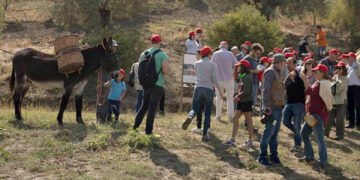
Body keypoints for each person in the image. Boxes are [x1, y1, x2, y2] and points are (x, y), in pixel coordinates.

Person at [182, 46, 224, 142]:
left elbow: (197, 74)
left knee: (194, 108)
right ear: (208, 54)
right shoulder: (213, 65)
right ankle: (205, 135)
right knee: (207, 113)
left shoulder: (196, 63)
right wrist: (220, 91)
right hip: (208, 89)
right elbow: (214, 79)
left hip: (198, 88)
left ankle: (190, 117)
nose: (212, 55)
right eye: (211, 54)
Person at [133, 34, 170, 136]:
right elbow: (166, 71)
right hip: (157, 84)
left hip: (146, 84)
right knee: (152, 108)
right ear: (159, 43)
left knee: (144, 106)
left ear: (151, 42)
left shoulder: (143, 54)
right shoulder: (162, 54)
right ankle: (148, 132)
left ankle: (135, 127)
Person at [299, 64, 332, 170]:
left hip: (317, 116)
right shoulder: (320, 83)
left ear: (322, 73)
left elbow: (310, 92)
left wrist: (305, 80)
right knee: (304, 133)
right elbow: (309, 92)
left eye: (316, 72)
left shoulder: (321, 84)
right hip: (313, 115)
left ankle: (323, 162)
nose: (314, 73)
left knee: (319, 139)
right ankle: (309, 157)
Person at [257, 54, 286, 167]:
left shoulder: (277, 72)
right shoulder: (270, 72)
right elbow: (265, 90)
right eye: (284, 62)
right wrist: (266, 107)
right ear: (281, 62)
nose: (284, 64)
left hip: (278, 107)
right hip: (272, 108)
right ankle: (262, 156)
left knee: (275, 133)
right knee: (268, 132)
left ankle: (273, 155)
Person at [222, 60, 254, 147]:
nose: (237, 67)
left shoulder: (247, 77)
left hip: (246, 101)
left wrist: (237, 96)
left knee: (248, 120)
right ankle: (232, 140)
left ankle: (250, 141)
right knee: (235, 118)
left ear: (243, 67)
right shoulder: (242, 76)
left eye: (239, 66)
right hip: (241, 101)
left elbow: (246, 91)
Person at [282, 58, 306, 152]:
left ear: (294, 64)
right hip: (288, 102)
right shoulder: (287, 75)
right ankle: (300, 133)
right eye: (286, 63)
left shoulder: (299, 73)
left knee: (296, 125)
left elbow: (303, 86)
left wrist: (294, 78)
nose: (287, 65)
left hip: (298, 103)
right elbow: (286, 88)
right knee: (285, 122)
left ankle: (297, 144)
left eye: (289, 63)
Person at [212, 41, 238, 122]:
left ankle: (218, 116)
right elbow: (236, 65)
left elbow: (212, 65)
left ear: (220, 46)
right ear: (227, 46)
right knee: (230, 97)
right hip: (229, 78)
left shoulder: (215, 54)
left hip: (218, 79)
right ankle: (230, 116)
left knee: (218, 98)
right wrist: (233, 71)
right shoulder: (230, 54)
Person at [324, 61, 348, 140]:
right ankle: (325, 133)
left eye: (339, 68)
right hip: (334, 100)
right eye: (337, 68)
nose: (337, 69)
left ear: (344, 69)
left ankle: (340, 135)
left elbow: (338, 88)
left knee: (340, 119)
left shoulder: (345, 78)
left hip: (342, 100)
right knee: (329, 117)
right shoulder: (335, 77)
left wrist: (332, 80)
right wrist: (333, 79)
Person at [244, 43, 264, 109]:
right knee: (248, 103)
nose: (258, 56)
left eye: (259, 54)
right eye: (257, 53)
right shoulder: (246, 59)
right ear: (252, 50)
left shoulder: (255, 59)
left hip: (255, 83)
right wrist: (255, 71)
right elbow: (242, 73)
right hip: (248, 84)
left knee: (253, 103)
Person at [344, 52, 360, 129]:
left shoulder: (358, 65)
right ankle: (351, 123)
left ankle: (359, 124)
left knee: (358, 106)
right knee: (350, 106)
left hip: (357, 87)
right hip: (349, 87)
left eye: (349, 57)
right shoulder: (348, 66)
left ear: (353, 58)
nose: (347, 58)